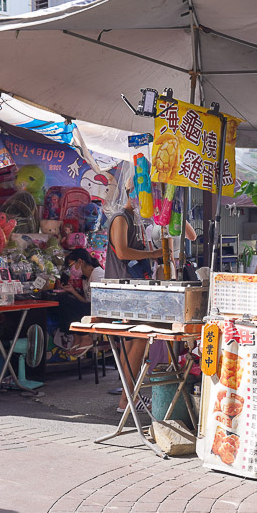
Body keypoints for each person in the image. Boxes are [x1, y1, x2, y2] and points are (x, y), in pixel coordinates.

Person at [106, 175, 165, 411]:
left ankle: (128, 398)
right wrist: (153, 255)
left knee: (131, 344)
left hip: (134, 288)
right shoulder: (121, 218)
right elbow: (121, 252)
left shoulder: (136, 220)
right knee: (138, 341)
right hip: (123, 290)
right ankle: (127, 399)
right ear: (133, 193)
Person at [58, 248, 106, 352]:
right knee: (63, 301)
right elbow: (86, 301)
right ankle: (77, 337)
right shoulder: (85, 278)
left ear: (80, 261)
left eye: (71, 266)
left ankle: (85, 337)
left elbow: (97, 302)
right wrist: (72, 291)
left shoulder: (98, 274)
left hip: (99, 311)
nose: (71, 270)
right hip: (91, 307)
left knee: (66, 302)